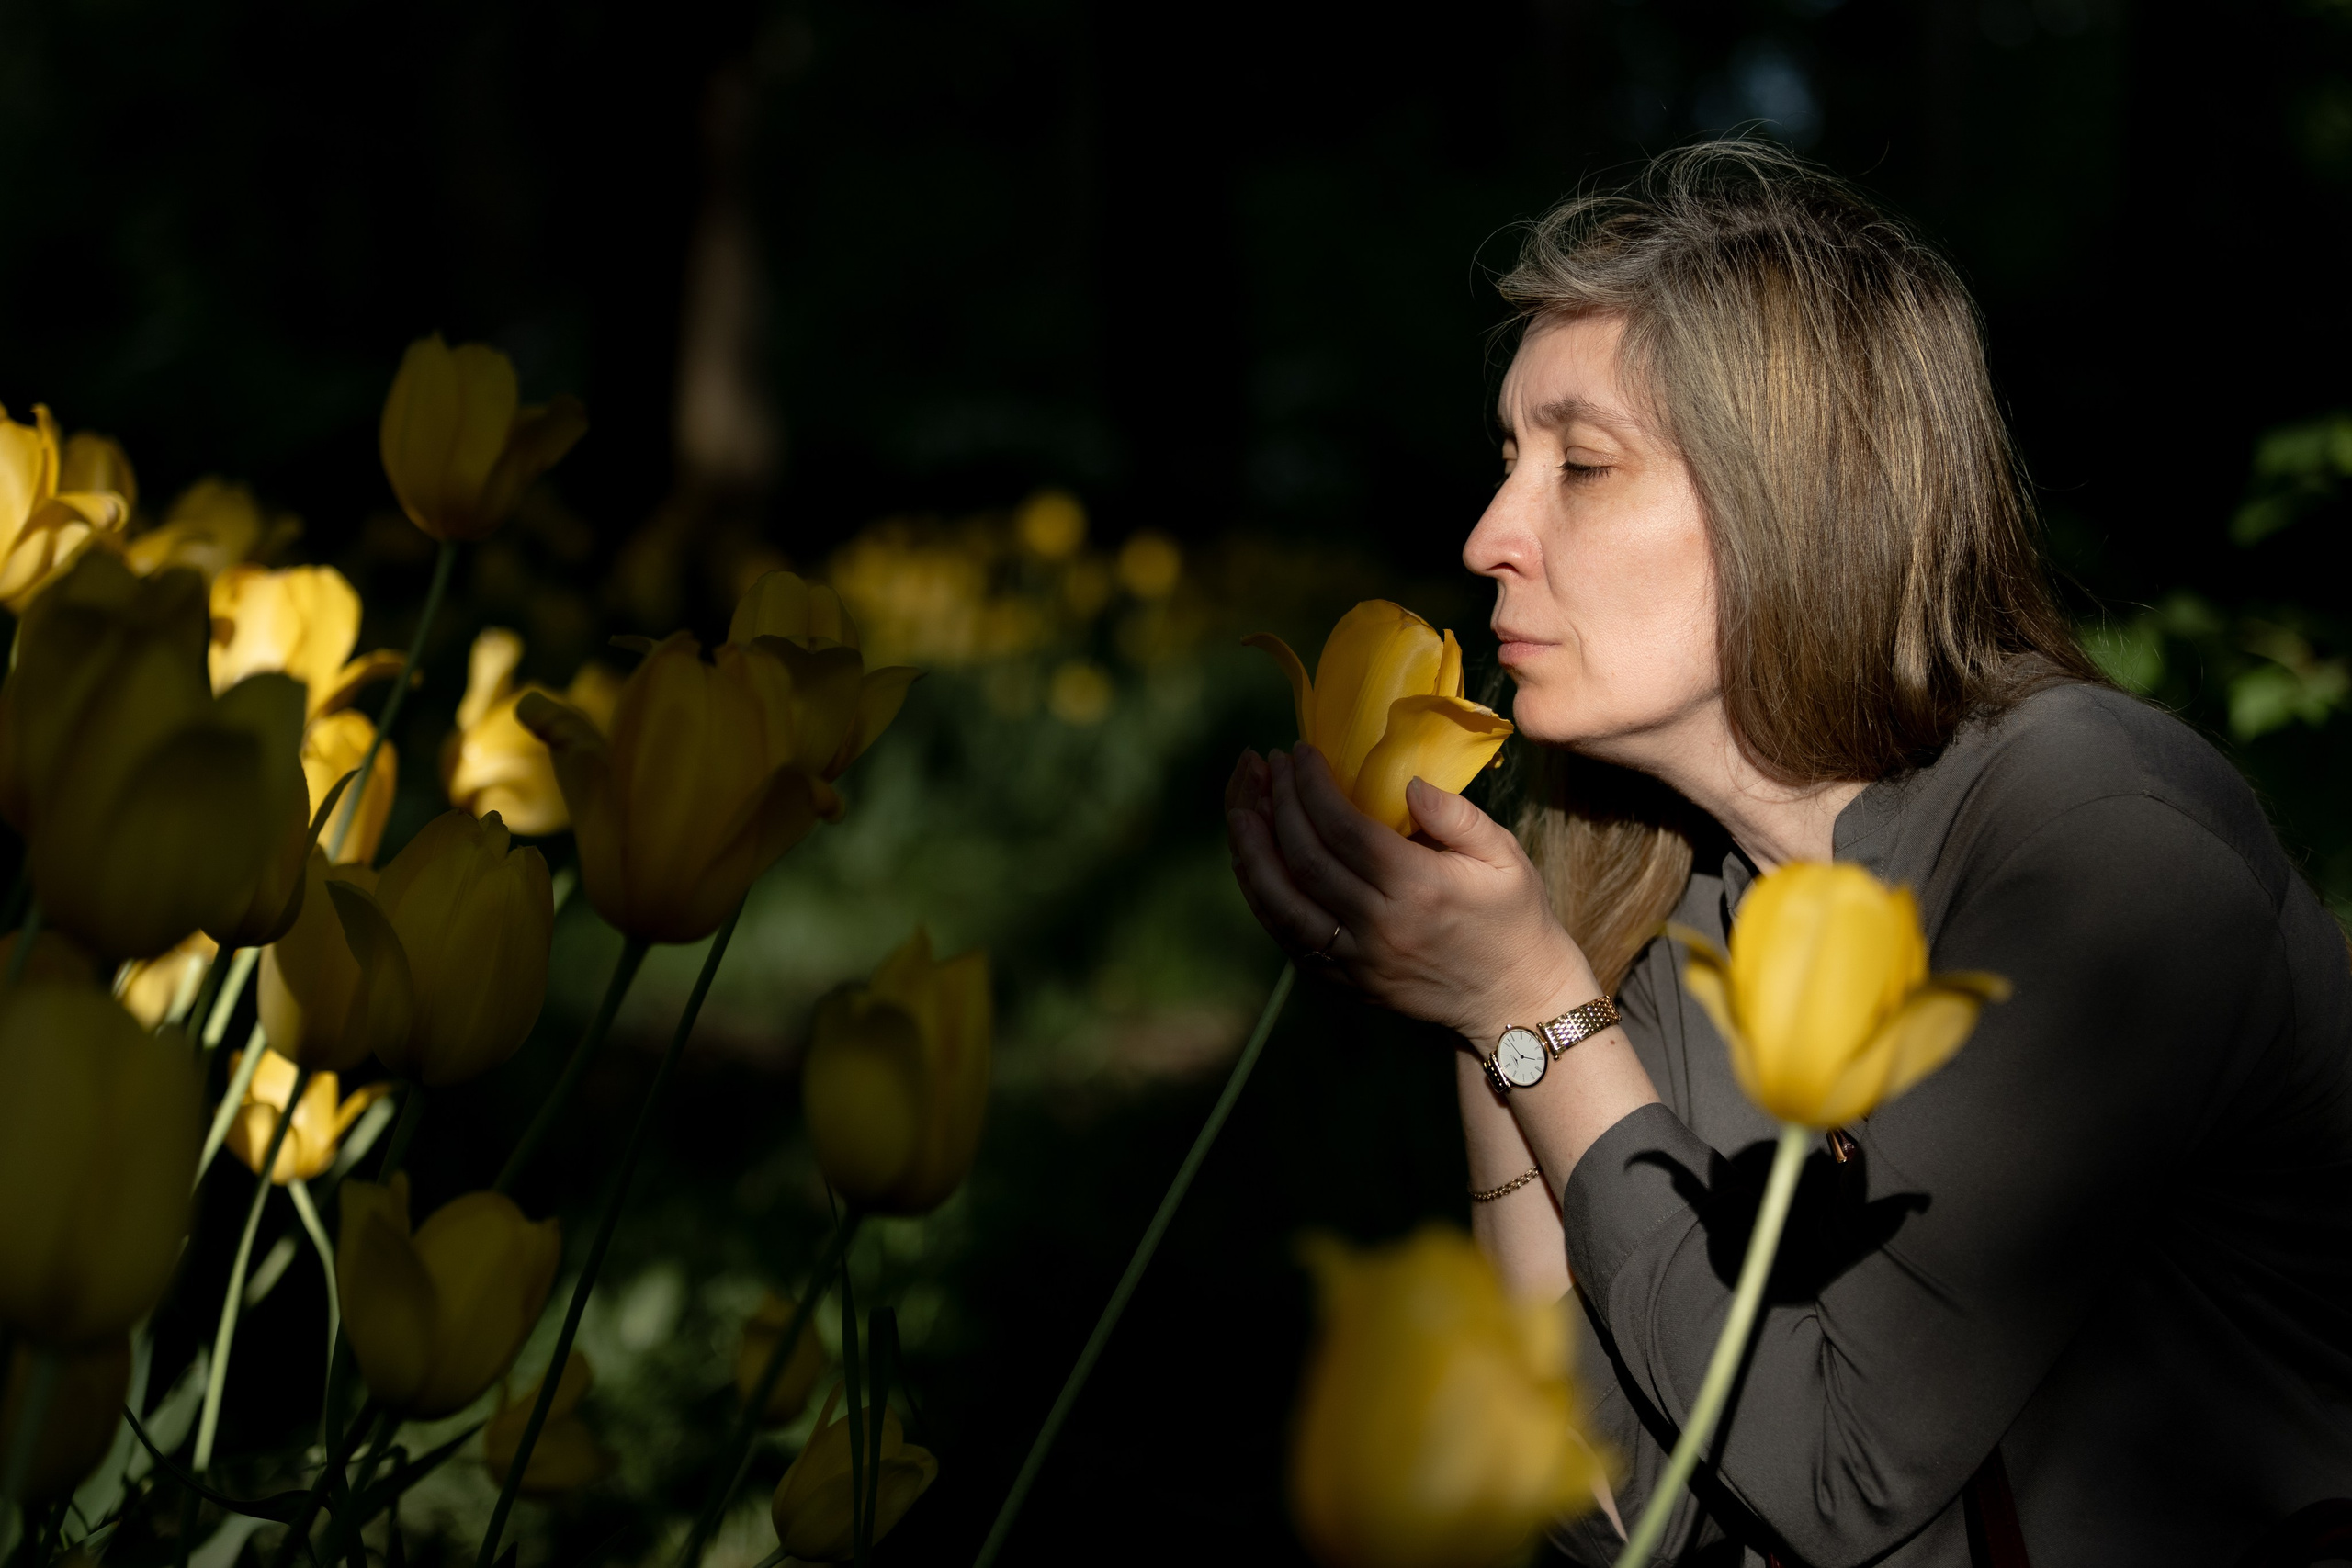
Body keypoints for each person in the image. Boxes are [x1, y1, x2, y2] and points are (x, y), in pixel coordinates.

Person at [1225, 141, 2352, 1568]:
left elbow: (1836, 1475)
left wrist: (1527, 1011)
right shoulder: (1660, 877)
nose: (1490, 533)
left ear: (1796, 500)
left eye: (1580, 465)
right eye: (1506, 462)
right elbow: (1615, 1507)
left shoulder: (2093, 846)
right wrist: (1482, 1017)